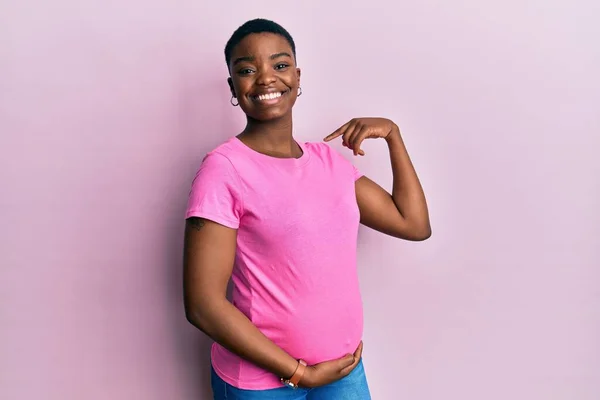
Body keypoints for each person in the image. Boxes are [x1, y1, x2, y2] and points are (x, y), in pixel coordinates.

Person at [183, 18, 431, 400]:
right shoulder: (224, 169)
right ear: (234, 87)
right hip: (262, 385)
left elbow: (413, 224)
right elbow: (202, 305)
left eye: (280, 65)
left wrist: (393, 136)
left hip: (343, 372)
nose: (266, 78)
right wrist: (299, 373)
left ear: (298, 77)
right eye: (247, 70)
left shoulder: (327, 162)